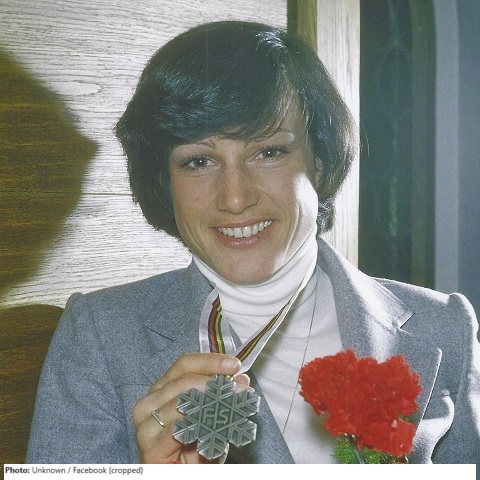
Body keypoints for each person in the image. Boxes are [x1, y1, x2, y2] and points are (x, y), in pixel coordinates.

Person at [26, 20, 480, 464]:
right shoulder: (98, 334)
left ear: (320, 162)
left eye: (268, 152)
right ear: (165, 182)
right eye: (198, 161)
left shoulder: (446, 327)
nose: (235, 198)